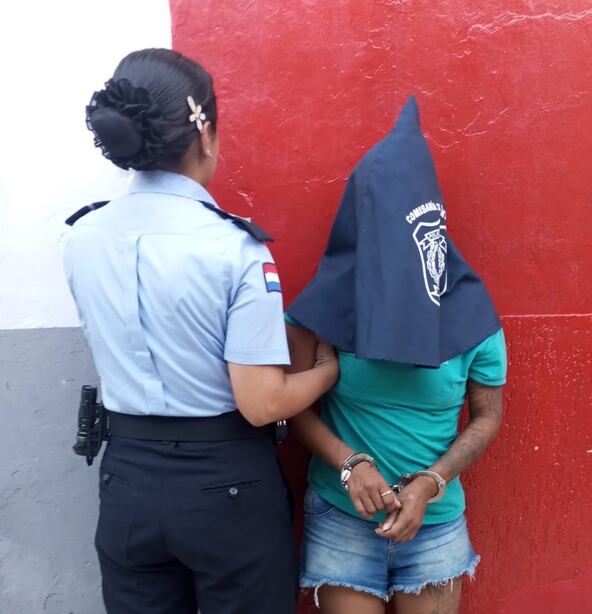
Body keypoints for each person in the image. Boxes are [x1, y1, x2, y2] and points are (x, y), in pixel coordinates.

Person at [63, 48, 338, 614]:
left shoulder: (82, 238)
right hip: (226, 486)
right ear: (205, 133)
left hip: (127, 481)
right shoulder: (234, 248)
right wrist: (326, 372)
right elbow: (263, 404)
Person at [285, 97, 507, 614]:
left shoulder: (471, 314)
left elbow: (488, 415)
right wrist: (350, 464)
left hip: (435, 522)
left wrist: (433, 481)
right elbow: (291, 406)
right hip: (342, 516)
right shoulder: (326, 306)